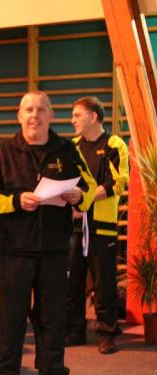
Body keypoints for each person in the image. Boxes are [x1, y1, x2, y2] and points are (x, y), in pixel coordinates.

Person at [0, 91, 97, 375]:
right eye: (29, 110)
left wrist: (79, 197)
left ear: (51, 115)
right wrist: (16, 200)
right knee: (11, 315)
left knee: (53, 316)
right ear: (19, 116)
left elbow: (88, 187)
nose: (35, 115)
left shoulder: (68, 150)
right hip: (16, 246)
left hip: (56, 247)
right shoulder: (3, 151)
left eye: (41, 109)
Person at [66, 96, 129, 354]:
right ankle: (75, 330)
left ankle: (107, 332)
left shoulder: (114, 144)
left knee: (104, 283)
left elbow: (117, 183)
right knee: (72, 281)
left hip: (102, 226)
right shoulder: (72, 146)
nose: (72, 120)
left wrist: (84, 200)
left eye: (77, 115)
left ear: (93, 117)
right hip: (74, 226)